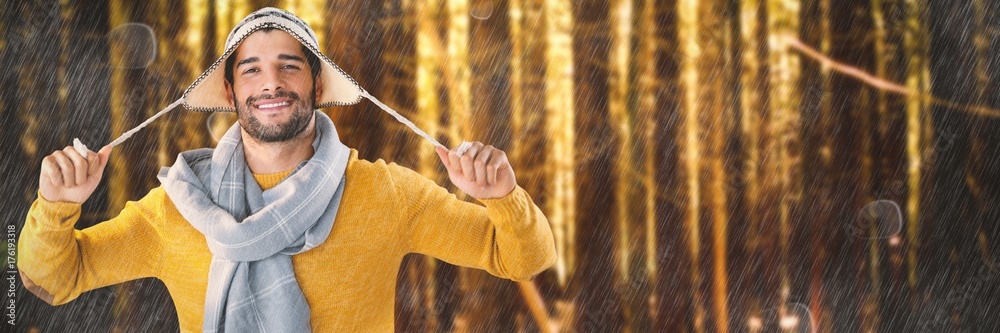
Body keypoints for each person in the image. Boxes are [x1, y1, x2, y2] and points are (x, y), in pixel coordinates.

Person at [19, 8, 556, 332]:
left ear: (318, 86)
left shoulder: (385, 193)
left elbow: (525, 258)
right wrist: (56, 206)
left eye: (289, 66)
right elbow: (52, 279)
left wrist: (503, 196)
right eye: (251, 69)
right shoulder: (178, 208)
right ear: (231, 92)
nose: (270, 83)